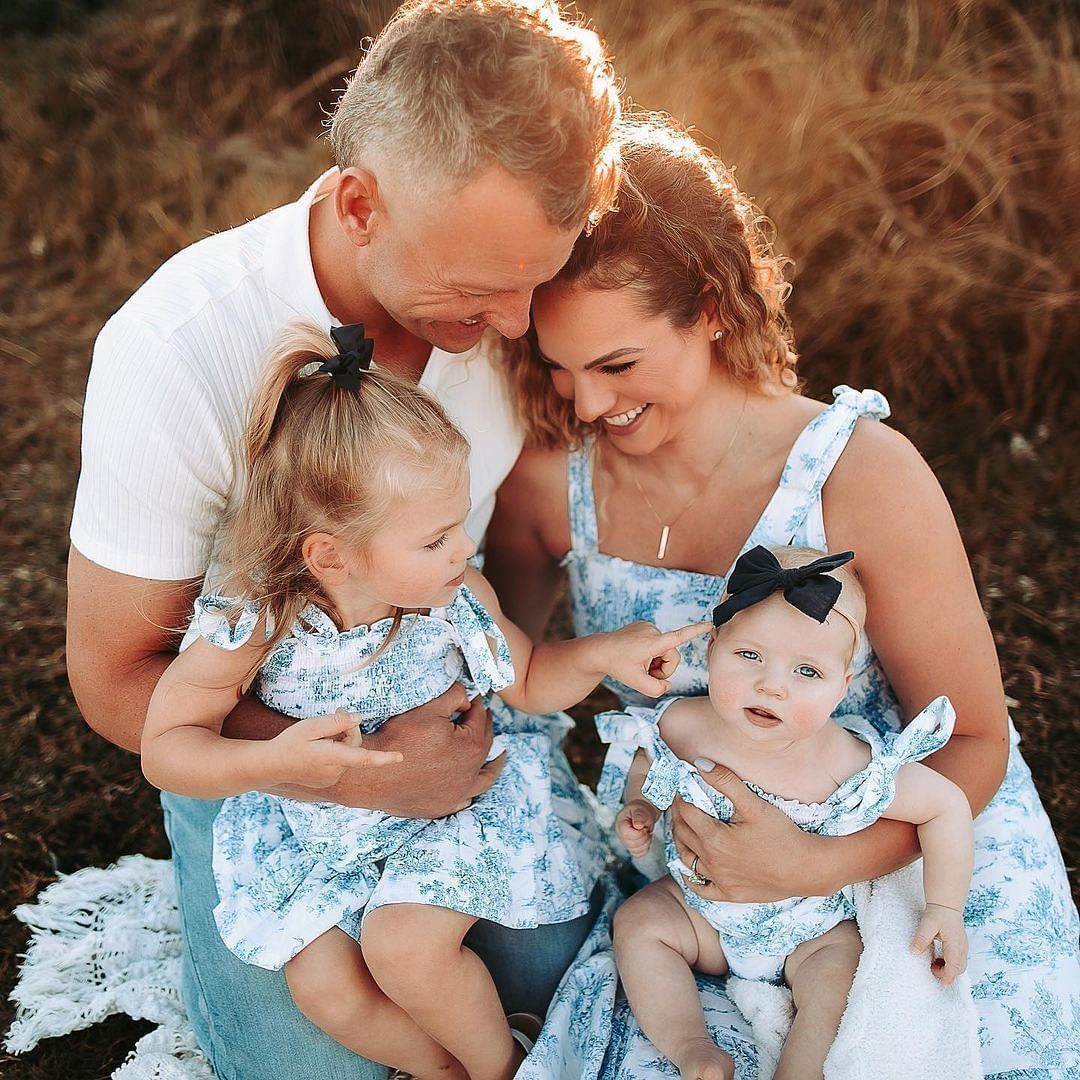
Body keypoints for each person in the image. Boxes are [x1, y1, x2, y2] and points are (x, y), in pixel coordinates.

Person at [65, 3, 620, 1077]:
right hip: (259, 762)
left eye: (534, 280)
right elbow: (113, 678)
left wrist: (476, 691)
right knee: (323, 1060)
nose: (517, 325)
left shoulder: (511, 312)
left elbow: (512, 537)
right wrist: (352, 770)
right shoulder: (177, 349)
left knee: (566, 990)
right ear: (360, 204)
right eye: (479, 289)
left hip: (456, 743)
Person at [485, 115, 1080, 1076]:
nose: (587, 405)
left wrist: (816, 866)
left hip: (884, 841)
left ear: (713, 308)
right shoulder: (557, 483)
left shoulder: (861, 475)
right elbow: (499, 656)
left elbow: (974, 738)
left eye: (618, 366)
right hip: (694, 885)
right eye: (560, 369)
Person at [140, 322, 707, 1079]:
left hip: (449, 812)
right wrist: (269, 760)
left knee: (405, 949)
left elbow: (529, 676)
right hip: (317, 830)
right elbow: (166, 746)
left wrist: (605, 654)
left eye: (459, 525)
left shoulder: (454, 596)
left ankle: (497, 1066)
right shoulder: (253, 620)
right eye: (437, 537)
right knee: (323, 987)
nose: (462, 550)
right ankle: (441, 1072)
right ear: (330, 554)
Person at [599, 544, 973, 1080]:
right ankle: (692, 1049)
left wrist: (944, 907)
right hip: (700, 912)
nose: (771, 684)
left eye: (806, 671)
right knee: (637, 924)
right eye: (749, 656)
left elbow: (944, 805)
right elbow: (646, 758)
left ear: (841, 688)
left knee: (839, 978)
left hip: (808, 928)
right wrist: (640, 808)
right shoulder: (682, 724)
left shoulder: (842, 760)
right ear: (713, 648)